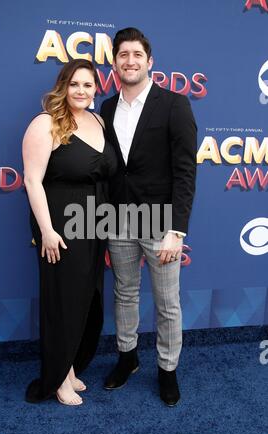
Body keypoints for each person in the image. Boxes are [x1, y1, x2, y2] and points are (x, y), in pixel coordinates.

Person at [100, 28, 197, 406]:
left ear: (149, 61)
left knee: (166, 301)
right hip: (119, 216)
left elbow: (185, 171)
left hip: (160, 221)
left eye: (137, 54)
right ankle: (128, 358)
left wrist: (178, 229)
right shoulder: (107, 108)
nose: (130, 61)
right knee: (124, 292)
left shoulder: (174, 104)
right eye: (123, 55)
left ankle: (167, 370)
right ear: (115, 64)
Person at [23, 59, 117, 406]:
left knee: (85, 297)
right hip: (60, 223)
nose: (81, 91)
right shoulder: (45, 124)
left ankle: (71, 367)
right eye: (74, 84)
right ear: (63, 86)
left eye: (88, 85)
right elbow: (32, 181)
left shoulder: (99, 121)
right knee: (63, 298)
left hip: (94, 222)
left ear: (96, 89)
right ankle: (57, 376)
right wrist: (46, 230)